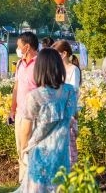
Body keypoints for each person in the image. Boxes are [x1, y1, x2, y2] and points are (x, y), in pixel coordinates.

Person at [15, 48, 77, 192]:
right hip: (62, 149)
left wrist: (24, 149)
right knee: (60, 185)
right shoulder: (69, 91)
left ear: (39, 69)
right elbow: (72, 116)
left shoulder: (35, 96)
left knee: (37, 186)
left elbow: (26, 128)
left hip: (40, 149)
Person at [9, 31, 39, 182]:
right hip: (21, 113)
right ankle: (23, 181)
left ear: (27, 47)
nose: (18, 49)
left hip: (35, 115)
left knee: (32, 148)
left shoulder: (40, 63)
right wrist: (12, 109)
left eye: (19, 46)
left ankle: (33, 181)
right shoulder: (20, 63)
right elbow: (17, 86)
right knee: (21, 148)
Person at [53, 40, 81, 167]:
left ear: (64, 54)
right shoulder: (56, 69)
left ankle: (69, 180)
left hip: (67, 113)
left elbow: (72, 92)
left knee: (69, 150)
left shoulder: (73, 70)